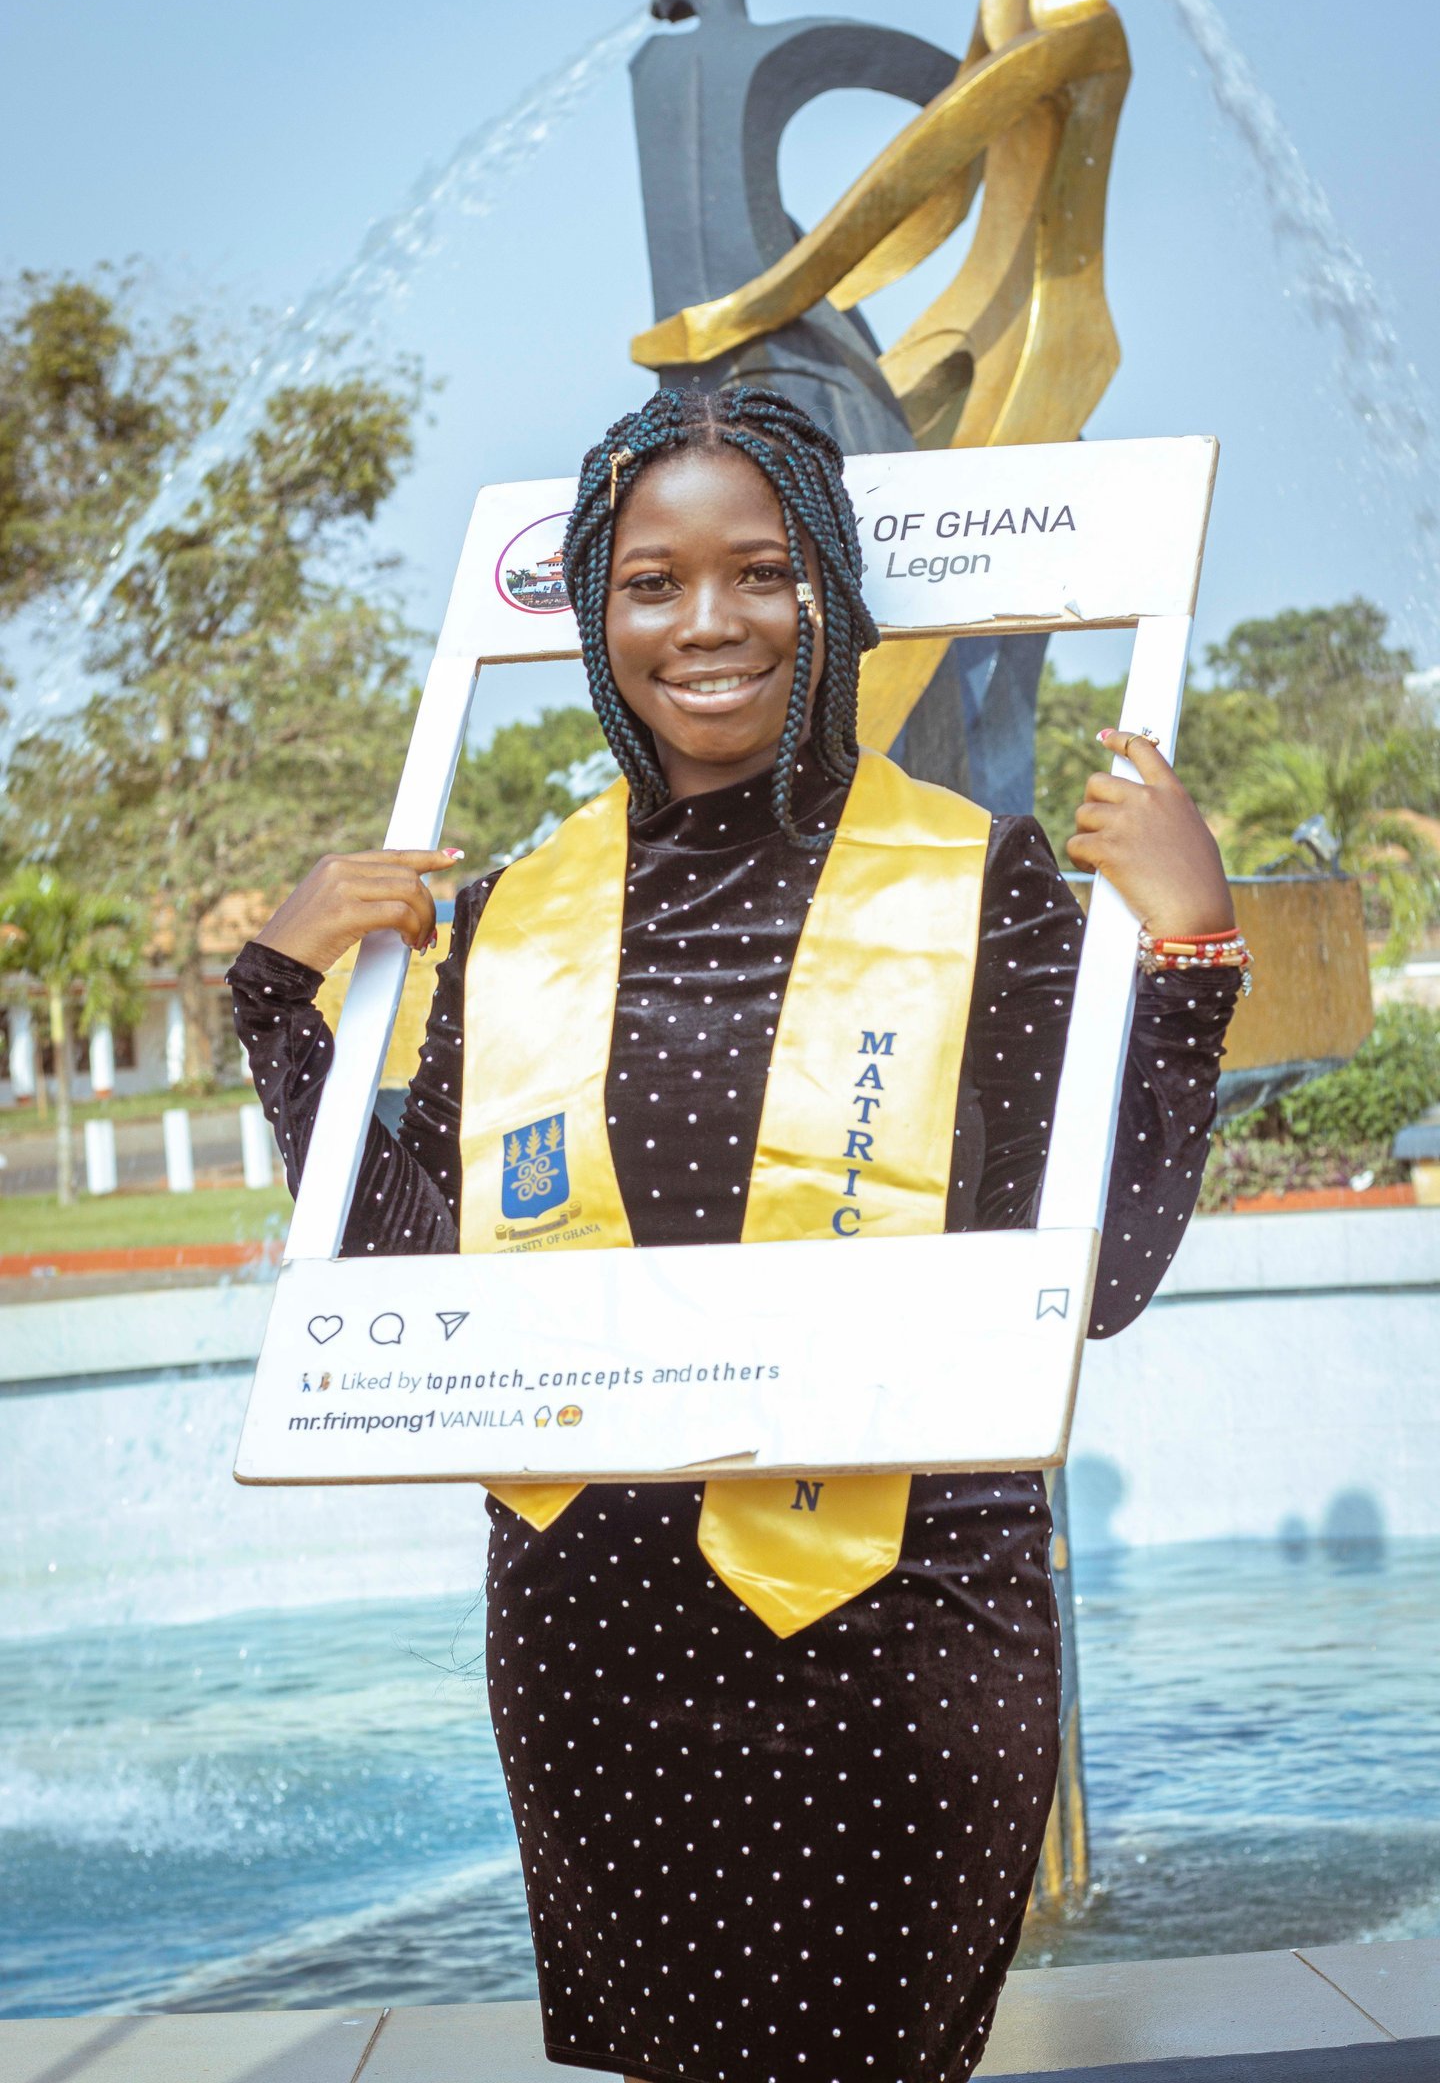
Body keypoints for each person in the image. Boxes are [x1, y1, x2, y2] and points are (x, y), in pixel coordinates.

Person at [228, 384, 1242, 2083]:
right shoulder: (515, 918)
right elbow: (425, 1281)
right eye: (652, 581)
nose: (708, 622)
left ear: (826, 588)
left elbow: (1099, 1279)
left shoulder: (973, 879)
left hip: (899, 1615)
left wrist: (1192, 948)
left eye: (761, 571)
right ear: (595, 612)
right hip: (598, 1625)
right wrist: (279, 1002)